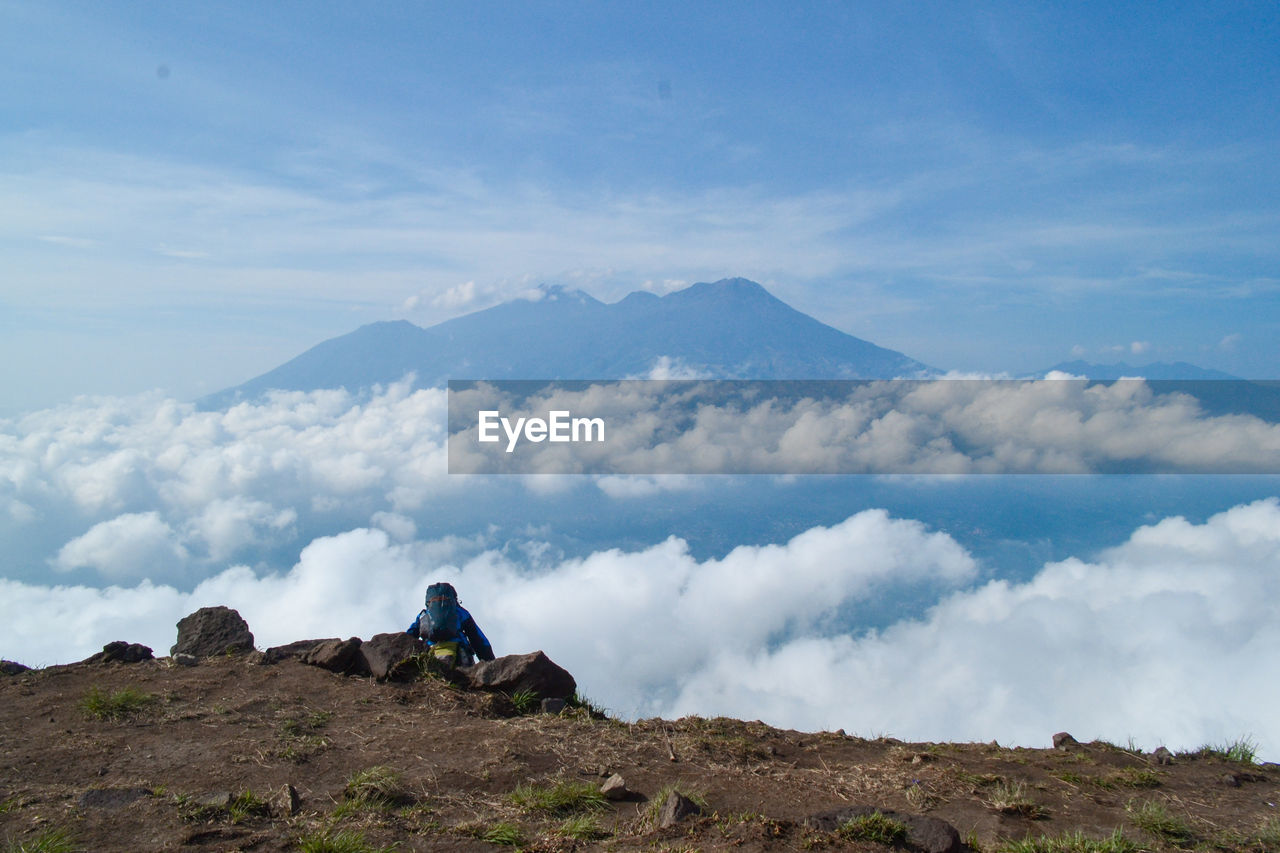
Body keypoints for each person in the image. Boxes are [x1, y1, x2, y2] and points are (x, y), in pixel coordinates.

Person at [406, 581, 495, 666]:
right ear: (454, 599)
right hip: (460, 656)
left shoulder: (423, 615)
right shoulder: (460, 613)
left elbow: (408, 637)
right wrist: (490, 662)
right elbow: (478, 639)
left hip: (431, 656)